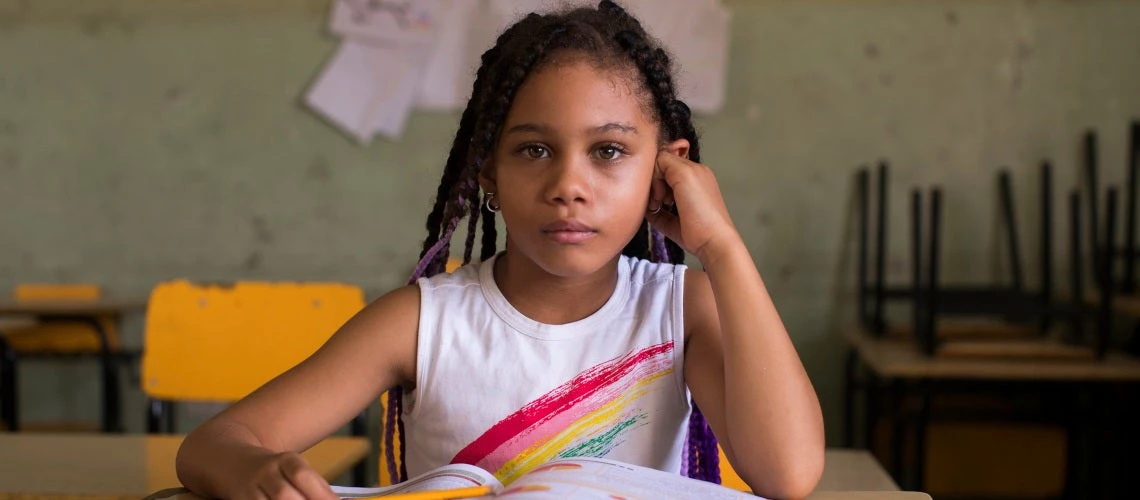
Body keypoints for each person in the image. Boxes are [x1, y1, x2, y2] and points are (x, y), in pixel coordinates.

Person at [175, 2, 824, 499]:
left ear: (665, 171)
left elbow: (788, 473)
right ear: (487, 171)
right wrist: (256, 470)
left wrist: (724, 248)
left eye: (608, 152)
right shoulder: (420, 321)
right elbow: (212, 445)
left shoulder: (683, 308)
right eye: (534, 150)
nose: (569, 185)